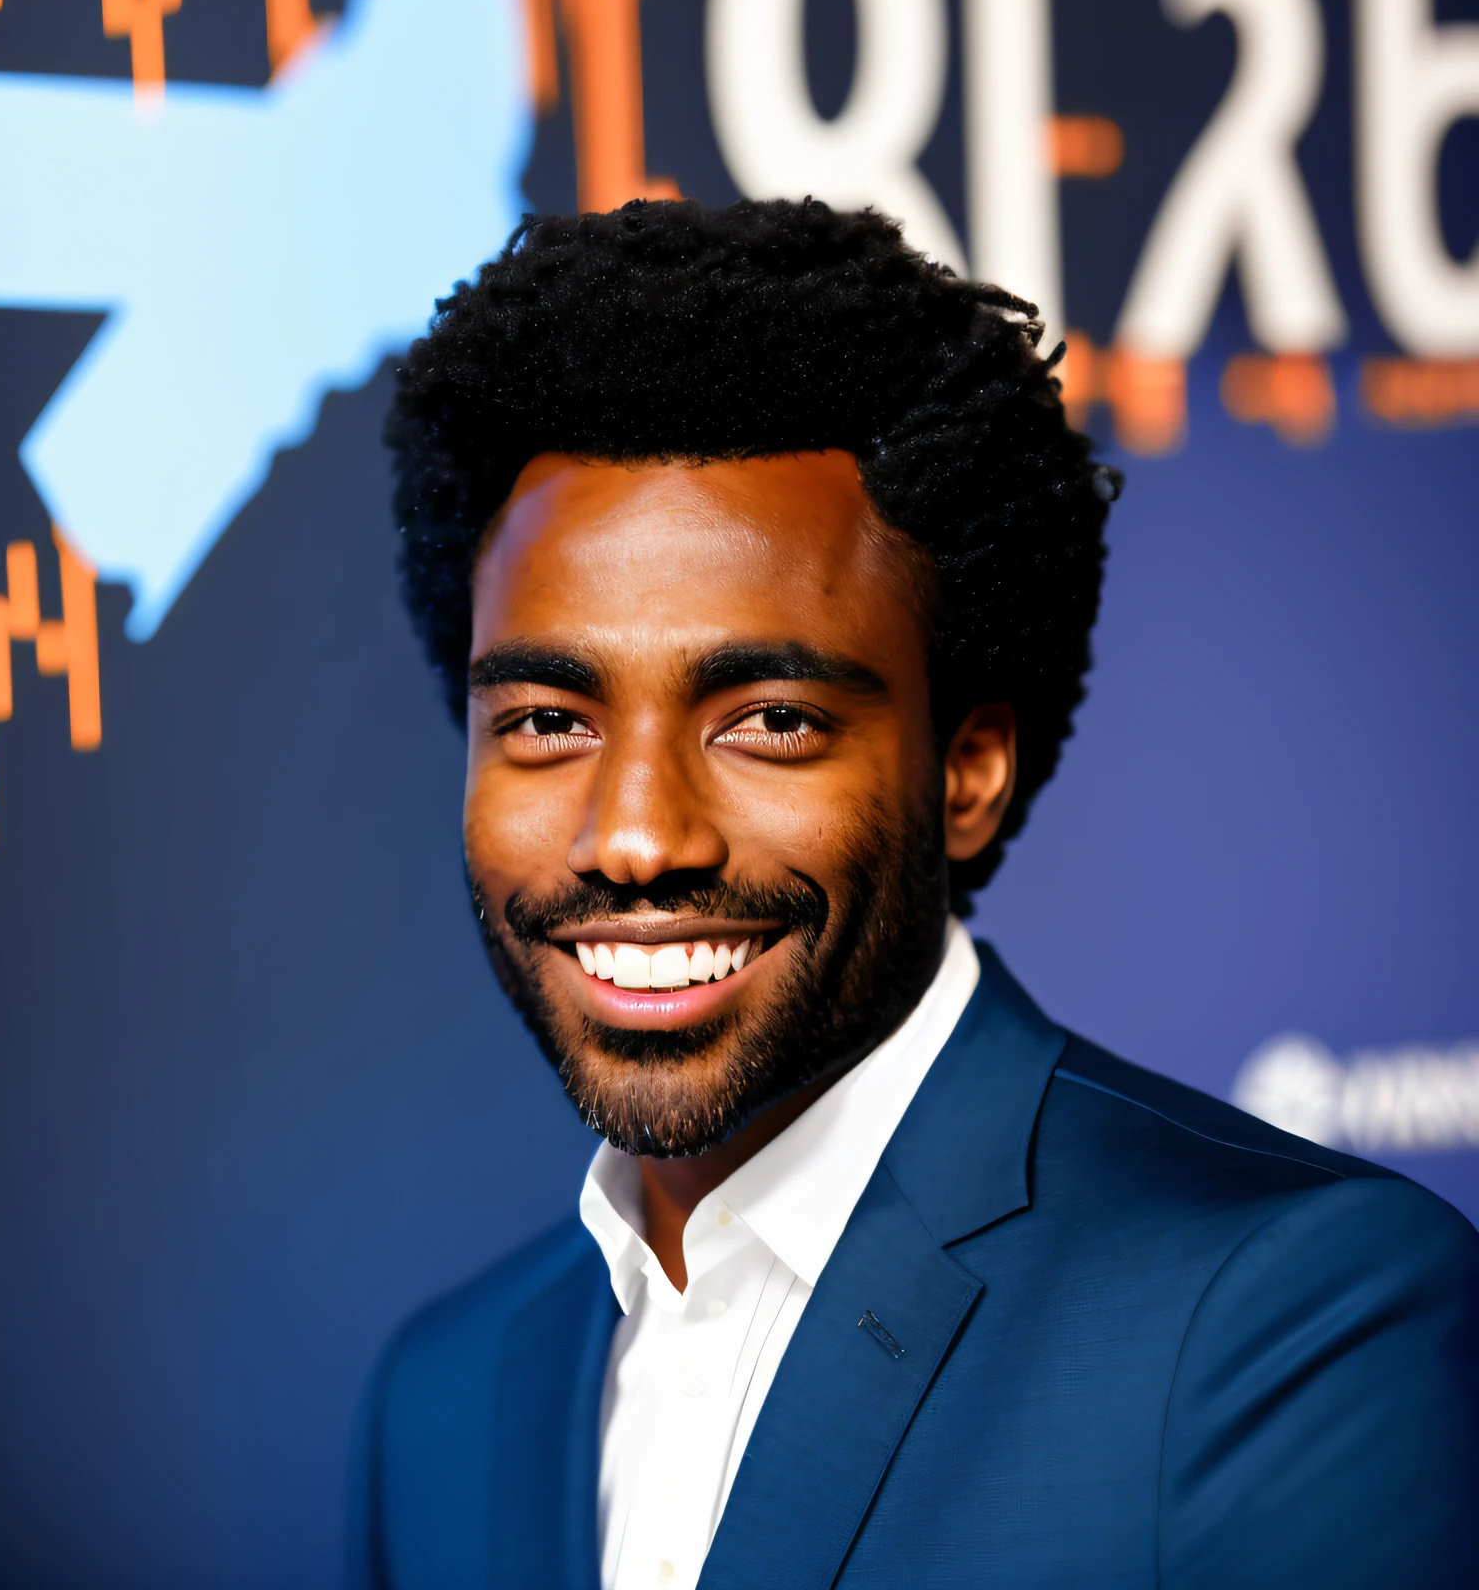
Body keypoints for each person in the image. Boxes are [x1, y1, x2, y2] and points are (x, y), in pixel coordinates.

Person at [354, 198, 1478, 1590]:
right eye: (544, 721)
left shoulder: (1291, 1327)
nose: (635, 838)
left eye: (767, 720)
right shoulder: (445, 1398)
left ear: (968, 770)